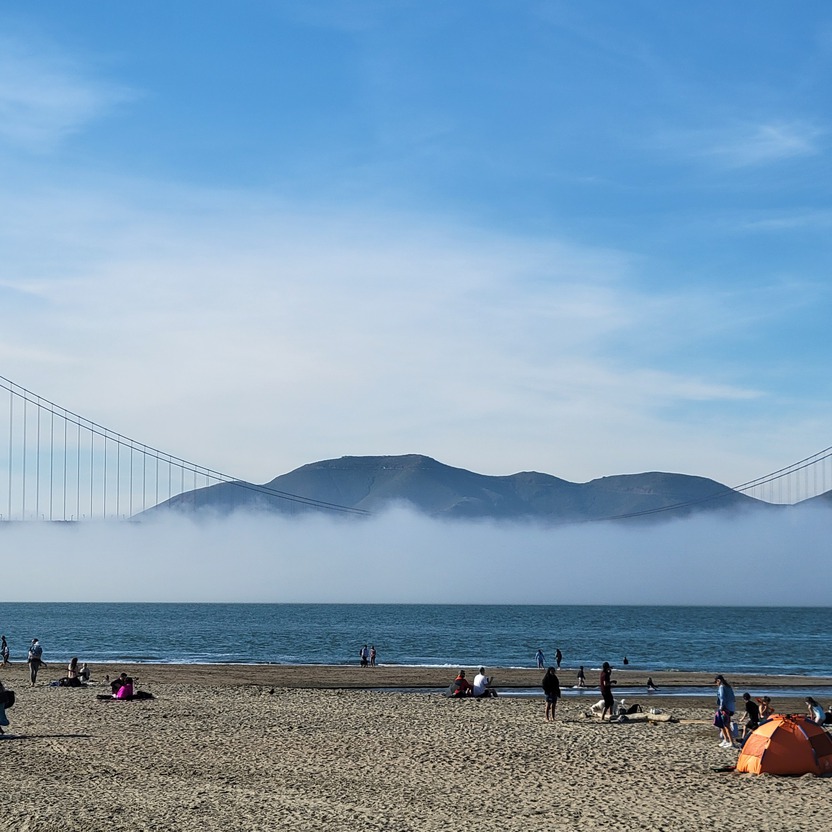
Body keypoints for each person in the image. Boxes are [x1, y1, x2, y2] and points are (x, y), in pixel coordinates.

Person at [714, 674, 737, 748]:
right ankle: (726, 740)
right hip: (731, 707)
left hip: (725, 708)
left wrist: (721, 707)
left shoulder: (722, 687)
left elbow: (723, 698)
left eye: (716, 682)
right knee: (723, 724)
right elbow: (733, 698)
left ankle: (730, 742)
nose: (716, 684)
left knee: (725, 725)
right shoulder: (728, 687)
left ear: (718, 681)